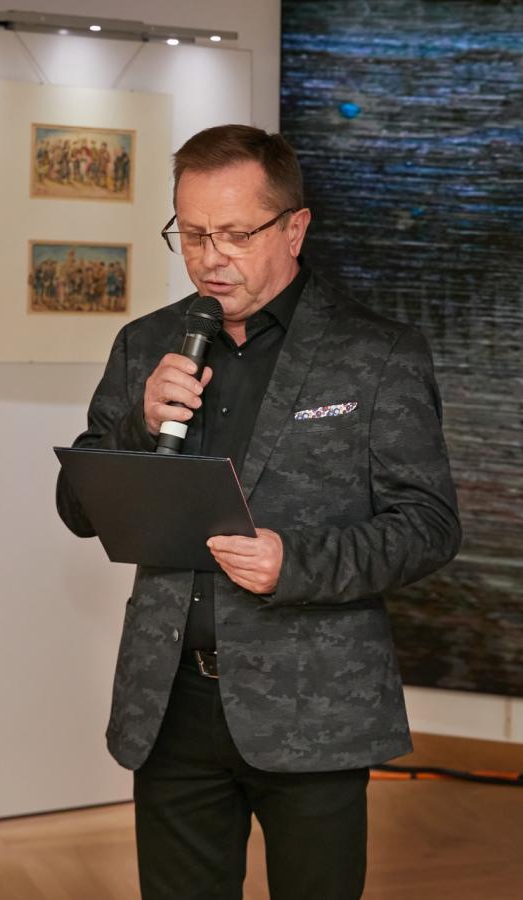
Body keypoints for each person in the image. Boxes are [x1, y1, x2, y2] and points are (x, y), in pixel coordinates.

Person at [56, 124, 461, 900]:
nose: (211, 257)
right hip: (170, 705)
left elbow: (428, 525)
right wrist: (137, 424)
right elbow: (79, 508)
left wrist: (294, 563)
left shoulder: (375, 353)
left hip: (315, 707)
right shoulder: (147, 344)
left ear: (293, 228)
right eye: (192, 234)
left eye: (236, 234)